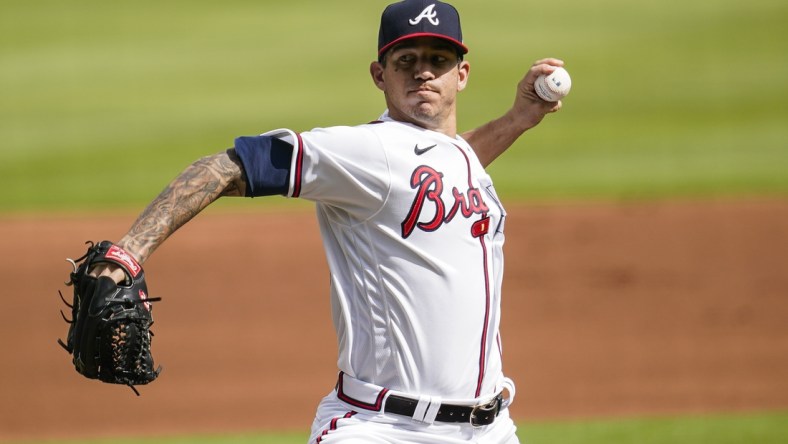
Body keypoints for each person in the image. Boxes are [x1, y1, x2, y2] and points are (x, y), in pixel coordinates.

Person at [91, 1, 565, 442]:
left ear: (461, 74)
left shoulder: (456, 155)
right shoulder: (365, 152)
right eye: (407, 60)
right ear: (380, 75)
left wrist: (518, 119)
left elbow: (442, 167)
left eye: (438, 60)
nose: (423, 71)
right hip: (384, 428)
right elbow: (225, 167)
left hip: (490, 428)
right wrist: (126, 254)